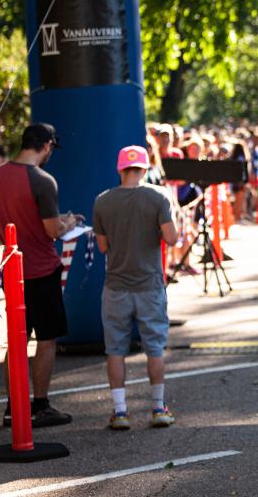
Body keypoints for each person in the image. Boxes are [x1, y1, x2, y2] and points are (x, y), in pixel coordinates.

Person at [0, 123, 81, 428]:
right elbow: (52, 230)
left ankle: (13, 407)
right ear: (45, 145)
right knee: (46, 339)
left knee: (16, 342)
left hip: (12, 267)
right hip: (41, 268)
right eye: (51, 147)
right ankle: (40, 405)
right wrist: (68, 222)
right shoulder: (43, 180)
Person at [93, 146, 178, 430]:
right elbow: (173, 239)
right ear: (145, 168)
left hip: (116, 285)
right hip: (149, 285)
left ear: (120, 169)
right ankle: (158, 407)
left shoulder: (102, 201)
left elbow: (103, 247)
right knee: (154, 348)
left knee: (115, 349)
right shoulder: (158, 197)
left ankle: (120, 411)